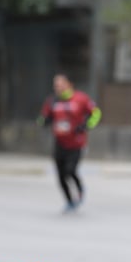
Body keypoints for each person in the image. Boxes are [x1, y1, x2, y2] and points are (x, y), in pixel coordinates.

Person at [37, 73, 101, 212]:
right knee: (60, 175)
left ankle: (79, 189)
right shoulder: (52, 101)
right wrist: (44, 121)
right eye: (56, 85)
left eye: (61, 84)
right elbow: (42, 118)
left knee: (70, 170)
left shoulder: (81, 98)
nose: (58, 88)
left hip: (76, 143)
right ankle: (70, 201)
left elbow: (96, 113)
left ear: (69, 84)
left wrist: (85, 126)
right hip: (59, 142)